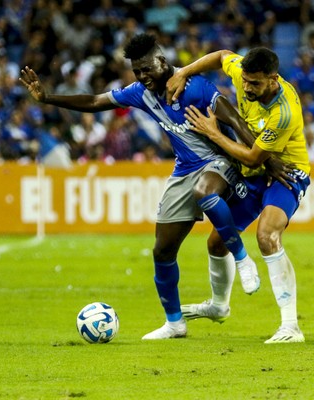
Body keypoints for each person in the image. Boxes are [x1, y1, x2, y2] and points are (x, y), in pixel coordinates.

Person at [20, 34, 290, 340]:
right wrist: (47, 98)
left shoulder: (197, 87)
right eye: (137, 71)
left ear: (163, 61)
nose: (142, 76)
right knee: (162, 250)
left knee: (204, 191)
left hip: (220, 162)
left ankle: (242, 259)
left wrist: (267, 162)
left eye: (146, 68)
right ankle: (175, 323)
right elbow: (96, 101)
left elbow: (237, 122)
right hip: (183, 169)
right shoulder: (140, 93)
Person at [167, 47, 311, 343]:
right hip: (257, 174)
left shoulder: (283, 113)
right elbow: (221, 56)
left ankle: (290, 326)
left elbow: (253, 157)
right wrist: (183, 72)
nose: (246, 88)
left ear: (273, 79)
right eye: (244, 80)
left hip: (286, 172)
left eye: (254, 83)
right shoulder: (242, 73)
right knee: (218, 241)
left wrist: (213, 133)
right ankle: (219, 306)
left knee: (267, 235)